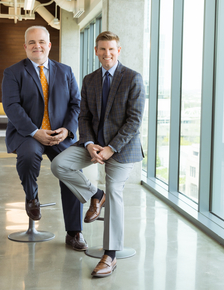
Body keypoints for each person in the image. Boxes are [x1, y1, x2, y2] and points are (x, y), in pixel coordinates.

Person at [51, 31, 145, 277]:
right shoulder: (90, 79)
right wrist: (90, 143)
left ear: (119, 50)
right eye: (102, 49)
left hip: (121, 149)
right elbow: (84, 116)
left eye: (111, 49)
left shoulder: (133, 78)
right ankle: (95, 194)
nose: (107, 54)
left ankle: (110, 255)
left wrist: (110, 148)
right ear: (96, 51)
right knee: (59, 165)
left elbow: (134, 122)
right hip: (94, 144)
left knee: (115, 192)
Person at [2, 26, 88, 250]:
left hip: (59, 134)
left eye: (41, 42)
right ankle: (32, 197)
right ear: (25, 47)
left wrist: (67, 130)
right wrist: (34, 131)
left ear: (49, 45)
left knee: (69, 170)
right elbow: (11, 106)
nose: (36, 46)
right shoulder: (13, 72)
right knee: (29, 156)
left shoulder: (65, 71)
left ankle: (74, 232)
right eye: (31, 42)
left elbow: (76, 104)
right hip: (28, 133)